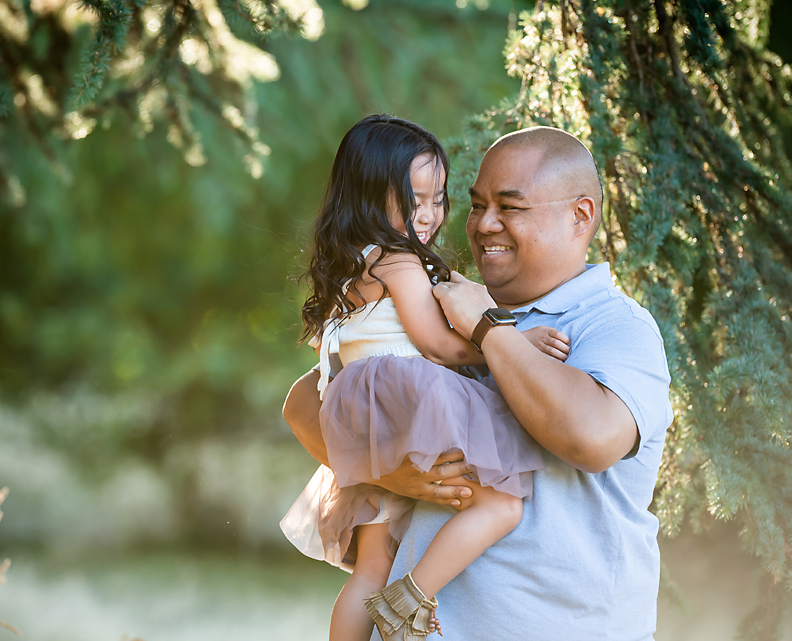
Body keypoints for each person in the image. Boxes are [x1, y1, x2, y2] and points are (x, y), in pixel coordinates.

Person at [283, 125, 674, 641]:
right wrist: (390, 473)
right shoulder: (446, 304)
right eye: (476, 205)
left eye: (509, 207)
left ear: (581, 216)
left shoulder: (614, 325)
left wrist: (490, 331)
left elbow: (592, 437)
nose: (485, 224)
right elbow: (304, 405)